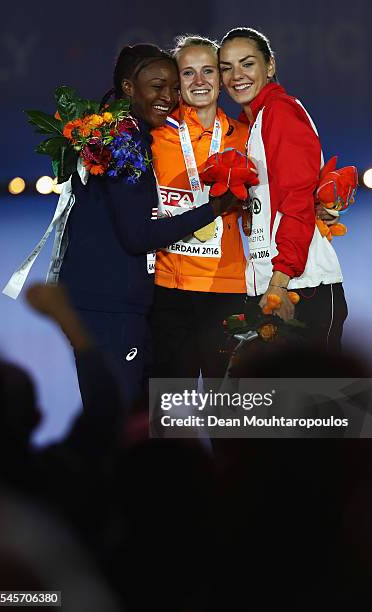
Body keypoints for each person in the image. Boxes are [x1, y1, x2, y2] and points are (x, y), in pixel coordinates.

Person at [56, 44, 238, 408]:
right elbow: (139, 236)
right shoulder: (126, 146)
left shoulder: (108, 136)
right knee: (119, 421)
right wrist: (214, 208)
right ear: (128, 88)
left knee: (118, 416)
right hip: (111, 307)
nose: (168, 97)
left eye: (173, 87)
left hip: (97, 301)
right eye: (157, 86)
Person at [219, 28, 348, 352]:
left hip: (298, 288)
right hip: (275, 285)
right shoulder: (252, 124)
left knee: (310, 402)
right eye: (226, 67)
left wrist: (280, 278)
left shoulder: (280, 112)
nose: (236, 76)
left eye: (247, 64)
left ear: (270, 66)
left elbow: (297, 198)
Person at [150, 35, 249, 385]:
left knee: (229, 412)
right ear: (176, 84)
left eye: (208, 70)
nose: (200, 81)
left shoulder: (245, 136)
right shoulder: (154, 136)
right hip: (168, 290)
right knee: (169, 412)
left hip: (227, 289)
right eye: (188, 73)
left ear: (222, 79)